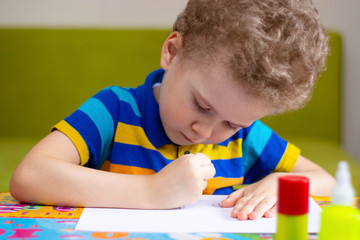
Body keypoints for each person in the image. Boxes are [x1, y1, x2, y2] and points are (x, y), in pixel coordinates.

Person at [10, 0, 335, 220]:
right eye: (202, 105)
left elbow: (326, 181)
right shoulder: (113, 110)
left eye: (232, 124)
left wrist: (281, 183)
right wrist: (152, 192)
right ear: (172, 52)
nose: (205, 132)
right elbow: (29, 176)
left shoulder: (248, 136)